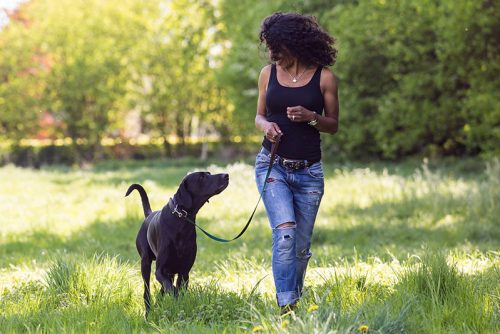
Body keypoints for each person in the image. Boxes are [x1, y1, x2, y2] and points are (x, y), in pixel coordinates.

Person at [254, 12, 339, 313]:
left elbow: (333, 124)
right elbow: (259, 115)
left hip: (309, 174)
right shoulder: (268, 73)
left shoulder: (324, 77)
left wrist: (311, 118)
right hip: (272, 165)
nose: (274, 54)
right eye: (271, 47)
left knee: (300, 248)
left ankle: (294, 299)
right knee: (286, 232)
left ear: (296, 43)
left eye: (279, 47)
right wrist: (266, 127)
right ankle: (286, 307)